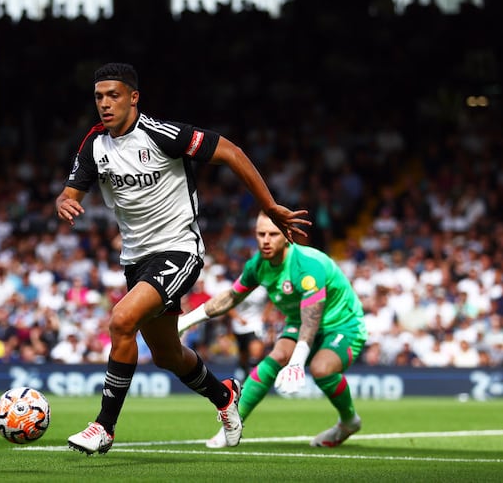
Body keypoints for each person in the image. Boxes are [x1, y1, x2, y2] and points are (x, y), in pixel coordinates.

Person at [55, 62, 309, 455]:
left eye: (113, 96)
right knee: (167, 354)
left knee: (122, 321)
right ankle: (224, 395)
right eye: (99, 97)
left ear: (134, 98)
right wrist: (65, 202)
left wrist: (271, 206)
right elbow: (72, 191)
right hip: (136, 258)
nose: (105, 104)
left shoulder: (162, 134)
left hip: (179, 249)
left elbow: (232, 152)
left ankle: (103, 427)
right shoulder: (95, 144)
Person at [179, 211, 366, 448]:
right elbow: (230, 298)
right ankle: (232, 426)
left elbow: (312, 319)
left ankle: (349, 421)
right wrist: (184, 322)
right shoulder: (258, 265)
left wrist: (297, 362)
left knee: (321, 368)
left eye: (273, 234)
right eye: (261, 234)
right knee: (275, 356)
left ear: (287, 236)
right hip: (300, 321)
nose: (266, 240)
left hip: (342, 325)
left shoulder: (307, 265)